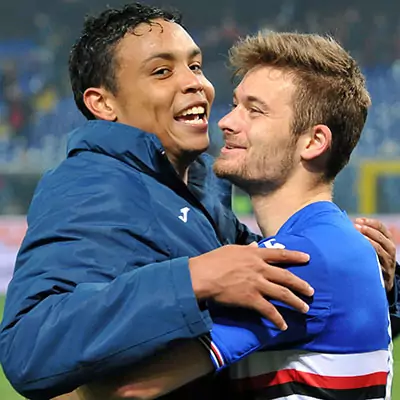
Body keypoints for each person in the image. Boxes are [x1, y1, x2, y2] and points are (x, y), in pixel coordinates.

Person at [0, 3, 397, 400]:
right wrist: (192, 279)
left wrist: (371, 282)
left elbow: (286, 296)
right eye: (162, 71)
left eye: (195, 66)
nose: (196, 84)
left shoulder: (198, 190)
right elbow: (28, 348)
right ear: (103, 103)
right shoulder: (92, 186)